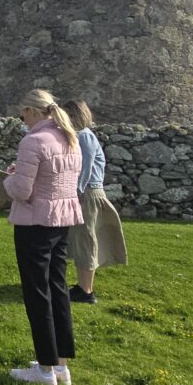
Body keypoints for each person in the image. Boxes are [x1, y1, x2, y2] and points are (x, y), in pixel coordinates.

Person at [2, 88, 83, 385]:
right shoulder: (69, 139)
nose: (21, 118)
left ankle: (45, 370)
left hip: (35, 223)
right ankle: (60, 365)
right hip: (62, 222)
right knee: (58, 290)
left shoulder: (33, 141)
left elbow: (22, 191)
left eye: (23, 112)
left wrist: (9, 179)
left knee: (38, 294)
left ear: (34, 111)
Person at [62, 99, 127, 304]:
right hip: (85, 193)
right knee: (81, 239)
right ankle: (82, 287)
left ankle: (86, 290)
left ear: (73, 116)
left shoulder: (84, 137)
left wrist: (76, 193)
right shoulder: (80, 137)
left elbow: (85, 169)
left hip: (88, 194)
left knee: (86, 239)